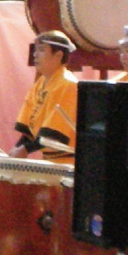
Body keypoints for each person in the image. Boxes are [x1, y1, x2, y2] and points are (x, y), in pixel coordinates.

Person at [12, 30, 79, 163]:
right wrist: (16, 149)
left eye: (41, 50)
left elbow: (54, 134)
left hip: (68, 163)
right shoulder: (39, 84)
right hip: (49, 160)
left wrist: (25, 149)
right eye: (35, 50)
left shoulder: (68, 84)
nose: (35, 55)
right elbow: (29, 130)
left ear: (58, 55)